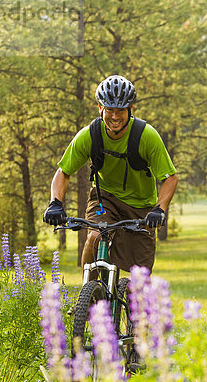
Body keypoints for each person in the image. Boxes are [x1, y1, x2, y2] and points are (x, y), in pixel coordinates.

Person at [43, 74, 178, 277]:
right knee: (95, 236)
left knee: (139, 279)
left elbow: (170, 177)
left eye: (120, 111)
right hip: (105, 200)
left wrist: (160, 209)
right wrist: (55, 202)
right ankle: (87, 297)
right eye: (109, 110)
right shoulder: (89, 135)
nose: (115, 117)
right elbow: (63, 171)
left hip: (142, 207)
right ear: (100, 108)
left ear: (130, 110)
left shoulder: (146, 136)